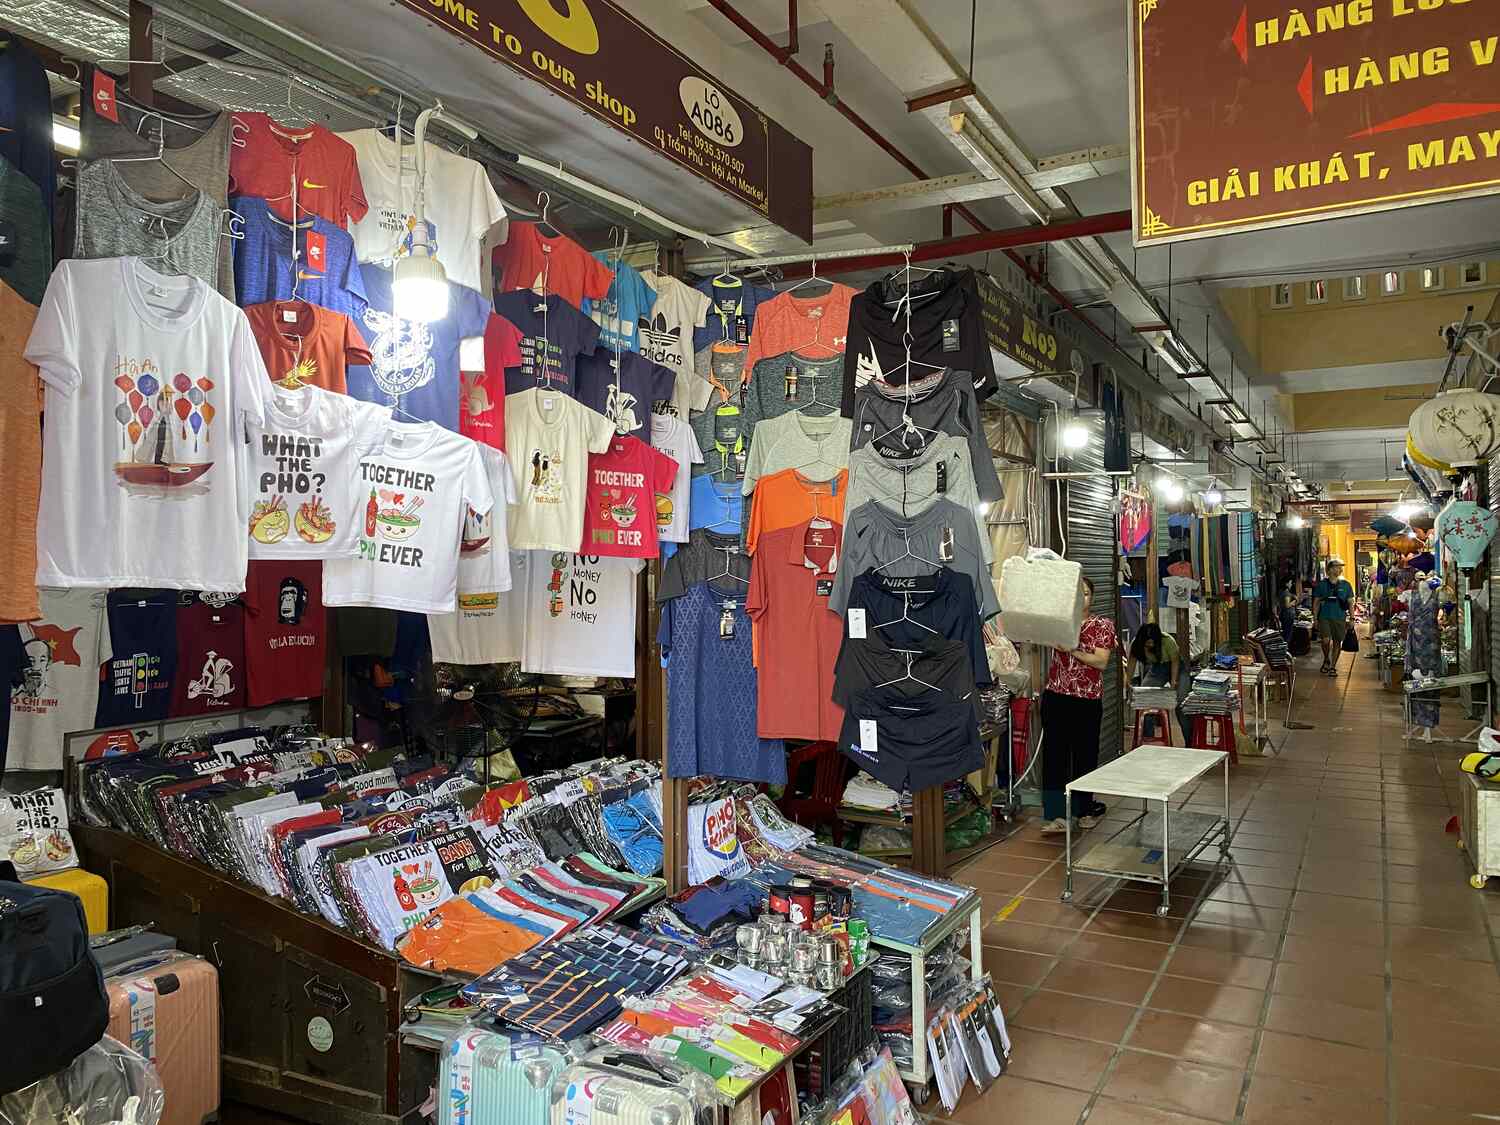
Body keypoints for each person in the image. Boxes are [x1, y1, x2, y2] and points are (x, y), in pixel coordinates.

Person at [1040, 577, 1116, 835]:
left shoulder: (1102, 625)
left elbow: (1101, 662)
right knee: (1054, 758)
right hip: (1055, 697)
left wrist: (1072, 649)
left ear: (1091, 598)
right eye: (1075, 593)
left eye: (1085, 593)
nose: (1080, 598)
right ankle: (1056, 815)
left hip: (1086, 701)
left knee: (1084, 756)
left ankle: (1084, 810)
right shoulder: (1057, 624)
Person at [1127, 623, 1184, 742]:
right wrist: (1128, 681)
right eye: (1147, 642)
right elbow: (1131, 663)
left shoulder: (1168, 641)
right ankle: (1148, 737)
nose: (1150, 644)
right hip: (1157, 669)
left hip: (1177, 667)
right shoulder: (1136, 643)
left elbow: (1175, 661)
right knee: (1145, 698)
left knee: (1181, 703)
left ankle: (1189, 742)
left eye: (1152, 642)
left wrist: (1174, 681)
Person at [1312, 559, 1354, 676]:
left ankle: (1332, 666)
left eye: (1341, 567)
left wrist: (1352, 618)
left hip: (1339, 617)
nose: (1340, 569)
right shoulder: (1322, 585)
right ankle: (1326, 658)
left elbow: (1350, 602)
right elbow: (1316, 602)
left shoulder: (1346, 585)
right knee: (1325, 640)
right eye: (1337, 566)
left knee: (1337, 642)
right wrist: (1314, 618)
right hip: (1324, 617)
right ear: (1329, 569)